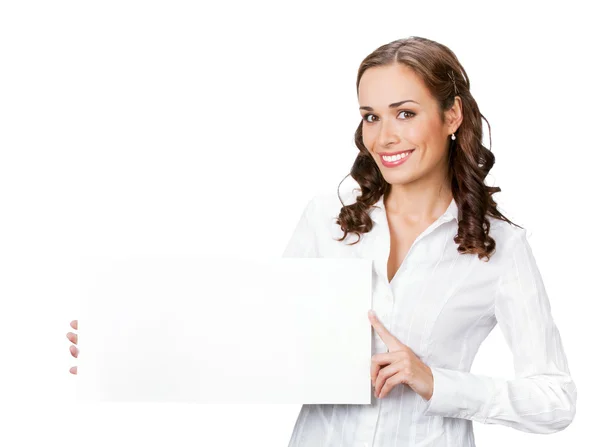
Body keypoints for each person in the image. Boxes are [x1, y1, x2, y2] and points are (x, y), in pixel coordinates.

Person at [67, 36, 577, 446]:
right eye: (370, 116)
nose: (383, 136)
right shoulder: (330, 214)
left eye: (404, 113)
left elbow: (555, 401)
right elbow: (260, 336)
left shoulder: (502, 248)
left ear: (451, 117)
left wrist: (435, 381)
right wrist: (127, 342)